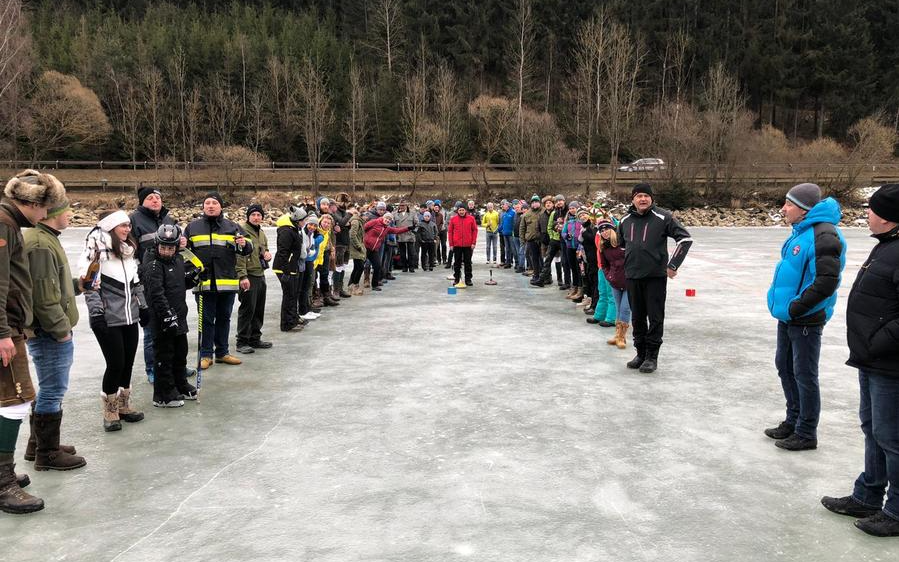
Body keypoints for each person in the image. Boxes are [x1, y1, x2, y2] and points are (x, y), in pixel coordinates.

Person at [821, 184, 899, 537]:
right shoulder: (886, 247)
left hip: (889, 362)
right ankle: (867, 495)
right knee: (872, 430)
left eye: (871, 209)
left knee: (891, 437)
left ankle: (896, 510)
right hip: (871, 359)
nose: (866, 213)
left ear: (888, 216)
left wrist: (879, 342)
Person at [1, 169, 65, 514]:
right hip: (6, 330)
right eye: (46, 208)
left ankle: (4, 472)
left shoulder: (9, 224)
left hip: (10, 327)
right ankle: (2, 484)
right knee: (15, 400)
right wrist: (3, 334)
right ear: (31, 203)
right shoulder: (4, 225)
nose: (46, 216)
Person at [765, 183, 847, 450]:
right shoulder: (801, 232)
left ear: (803, 209)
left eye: (788, 204)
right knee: (785, 366)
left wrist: (796, 307)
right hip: (789, 316)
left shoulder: (824, 235)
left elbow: (826, 282)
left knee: (804, 374)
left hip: (805, 318)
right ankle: (794, 419)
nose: (783, 208)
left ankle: (806, 431)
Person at [24, 196, 86, 471]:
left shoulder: (47, 238)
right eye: (67, 210)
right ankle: (47, 454)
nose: (71, 214)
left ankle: (36, 444)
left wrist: (78, 285)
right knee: (52, 390)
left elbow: (52, 285)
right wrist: (61, 331)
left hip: (48, 328)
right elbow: (43, 297)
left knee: (49, 388)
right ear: (53, 212)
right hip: (49, 331)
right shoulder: (40, 244)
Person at [80, 210, 148, 432]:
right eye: (123, 225)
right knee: (116, 363)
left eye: (129, 225)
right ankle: (110, 410)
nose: (128, 229)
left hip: (130, 316)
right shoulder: (97, 253)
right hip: (108, 319)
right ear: (110, 227)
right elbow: (90, 286)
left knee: (127, 362)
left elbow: (136, 283)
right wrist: (97, 314)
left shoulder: (128, 252)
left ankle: (123, 405)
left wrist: (144, 307)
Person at [617, 183, 693, 374]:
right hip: (633, 276)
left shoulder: (663, 217)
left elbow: (685, 239)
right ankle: (640, 353)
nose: (642, 199)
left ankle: (652, 356)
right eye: (638, 196)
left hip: (655, 278)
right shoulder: (625, 220)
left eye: (646, 196)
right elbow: (622, 247)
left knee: (655, 317)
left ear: (651, 198)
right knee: (638, 317)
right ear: (633, 199)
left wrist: (673, 264)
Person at [185, 192, 253, 369]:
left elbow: (247, 249)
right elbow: (185, 254)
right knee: (206, 320)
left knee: (224, 318)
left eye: (214, 203)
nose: (210, 205)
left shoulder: (232, 227)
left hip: (227, 282)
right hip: (203, 284)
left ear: (220, 206)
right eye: (207, 203)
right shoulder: (192, 227)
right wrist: (190, 274)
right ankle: (206, 354)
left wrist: (244, 244)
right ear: (203, 207)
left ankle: (222, 352)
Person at [141, 224, 202, 408]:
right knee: (164, 356)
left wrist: (191, 278)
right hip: (162, 319)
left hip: (179, 315)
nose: (166, 252)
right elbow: (156, 294)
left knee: (180, 353)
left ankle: (180, 384)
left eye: (170, 248)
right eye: (163, 248)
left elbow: (178, 283)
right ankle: (163, 394)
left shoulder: (177, 260)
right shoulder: (152, 264)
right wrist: (166, 315)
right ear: (157, 245)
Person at [129, 187, 184, 384]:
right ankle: (153, 368)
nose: (155, 201)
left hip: (170, 280)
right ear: (142, 201)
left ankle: (175, 366)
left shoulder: (168, 219)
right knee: (153, 328)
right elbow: (130, 252)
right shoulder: (134, 220)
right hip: (148, 281)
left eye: (158, 197)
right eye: (150, 198)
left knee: (174, 326)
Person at [235, 204, 272, 354]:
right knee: (247, 309)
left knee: (258, 308)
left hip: (260, 274)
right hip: (248, 275)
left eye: (259, 215)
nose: (256, 218)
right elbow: (239, 255)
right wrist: (242, 276)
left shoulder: (261, 232)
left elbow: (264, 248)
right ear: (248, 216)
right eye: (253, 215)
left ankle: (255, 338)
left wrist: (267, 254)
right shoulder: (241, 231)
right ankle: (242, 341)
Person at [273, 205, 307, 331]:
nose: (305, 223)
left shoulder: (293, 229)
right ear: (297, 220)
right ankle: (287, 324)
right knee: (289, 295)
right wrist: (286, 271)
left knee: (292, 295)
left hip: (291, 267)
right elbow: (283, 252)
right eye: (303, 220)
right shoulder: (287, 231)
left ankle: (292, 319)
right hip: (284, 268)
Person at [597, 219, 629, 349]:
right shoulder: (603, 247)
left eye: (606, 229)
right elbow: (604, 265)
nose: (604, 232)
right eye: (602, 231)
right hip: (615, 282)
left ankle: (622, 337)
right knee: (618, 307)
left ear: (613, 230)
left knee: (625, 309)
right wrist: (609, 276)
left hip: (629, 281)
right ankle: (617, 335)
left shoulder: (623, 242)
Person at [363, 212, 410, 291]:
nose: (388, 220)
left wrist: (409, 228)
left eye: (390, 220)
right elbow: (363, 228)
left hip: (374, 250)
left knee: (377, 266)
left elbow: (397, 230)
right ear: (383, 217)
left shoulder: (387, 228)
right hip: (365, 247)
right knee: (361, 266)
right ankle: (354, 284)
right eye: (387, 218)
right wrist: (363, 240)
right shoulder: (375, 221)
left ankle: (375, 284)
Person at [448, 202, 478, 288]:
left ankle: (468, 279)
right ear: (457, 211)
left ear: (465, 210)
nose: (461, 212)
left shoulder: (471, 219)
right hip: (457, 245)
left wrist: (473, 242)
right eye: (460, 210)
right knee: (457, 263)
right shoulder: (453, 219)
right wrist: (451, 244)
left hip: (468, 245)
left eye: (463, 210)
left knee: (467, 262)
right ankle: (456, 278)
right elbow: (450, 232)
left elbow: (475, 231)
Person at [331, 193, 353, 298]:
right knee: (338, 267)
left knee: (343, 266)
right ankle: (335, 290)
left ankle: (340, 288)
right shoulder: (335, 212)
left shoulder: (343, 212)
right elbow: (341, 222)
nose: (344, 204)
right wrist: (349, 215)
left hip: (346, 242)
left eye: (346, 202)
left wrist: (347, 224)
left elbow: (345, 225)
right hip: (339, 243)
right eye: (342, 201)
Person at [299, 216, 322, 318]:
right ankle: (303, 311)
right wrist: (310, 252)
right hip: (304, 262)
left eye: (315, 225)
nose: (312, 227)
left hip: (309, 261)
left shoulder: (311, 234)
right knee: (304, 286)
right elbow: (304, 250)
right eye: (310, 224)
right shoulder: (303, 233)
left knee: (308, 285)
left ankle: (306, 309)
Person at [561, 201, 584, 301]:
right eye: (570, 208)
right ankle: (574, 287)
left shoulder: (581, 220)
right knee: (573, 268)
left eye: (574, 208)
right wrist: (567, 236)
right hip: (570, 247)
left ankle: (580, 288)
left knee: (579, 269)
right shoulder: (568, 221)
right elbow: (563, 232)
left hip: (579, 248)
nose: (572, 210)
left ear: (578, 208)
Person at [577, 208, 598, 313]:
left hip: (595, 259)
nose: (583, 217)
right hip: (587, 258)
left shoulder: (592, 226)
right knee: (589, 279)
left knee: (595, 282)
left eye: (584, 215)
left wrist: (584, 234)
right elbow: (580, 241)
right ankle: (591, 301)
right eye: (580, 216)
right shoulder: (583, 228)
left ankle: (595, 305)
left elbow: (594, 239)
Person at [520, 196, 543, 286]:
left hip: (542, 240)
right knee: (534, 259)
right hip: (531, 240)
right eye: (533, 202)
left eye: (536, 202)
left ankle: (545, 275)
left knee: (543, 259)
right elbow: (522, 228)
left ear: (539, 203)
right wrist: (522, 240)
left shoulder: (544, 212)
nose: (534, 204)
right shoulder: (526, 214)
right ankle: (536, 275)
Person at [395, 200, 419, 272]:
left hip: (410, 235)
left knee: (411, 252)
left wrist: (414, 231)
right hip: (400, 235)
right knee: (402, 253)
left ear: (406, 206)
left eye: (403, 205)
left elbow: (417, 223)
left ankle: (411, 266)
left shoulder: (412, 213)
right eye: (401, 205)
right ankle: (404, 266)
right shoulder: (395, 214)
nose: (402, 207)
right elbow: (393, 224)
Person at [498, 200, 515, 269]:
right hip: (505, 234)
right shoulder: (504, 214)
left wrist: (514, 231)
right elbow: (502, 224)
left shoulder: (513, 213)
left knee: (512, 249)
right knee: (507, 249)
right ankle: (508, 263)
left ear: (507, 206)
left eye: (504, 205)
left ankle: (515, 262)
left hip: (511, 234)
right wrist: (498, 230)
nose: (503, 206)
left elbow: (514, 223)